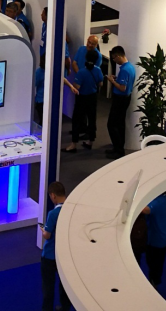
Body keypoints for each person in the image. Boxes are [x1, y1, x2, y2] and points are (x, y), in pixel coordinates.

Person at [62, 50, 103, 152]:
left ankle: (73, 144)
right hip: (93, 97)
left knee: (76, 120)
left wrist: (73, 85)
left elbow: (77, 87)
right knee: (92, 118)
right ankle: (90, 141)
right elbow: (101, 84)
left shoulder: (81, 72)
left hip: (82, 98)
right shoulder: (98, 70)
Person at [41, 181, 72, 311]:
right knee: (65, 286)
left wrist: (43, 230)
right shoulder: (71, 211)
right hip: (65, 254)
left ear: (53, 195)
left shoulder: (53, 214)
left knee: (48, 287)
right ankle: (65, 308)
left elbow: (47, 235)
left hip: (50, 256)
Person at [105, 46, 135, 159]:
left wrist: (112, 81)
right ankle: (119, 147)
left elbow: (122, 88)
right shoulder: (130, 67)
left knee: (112, 124)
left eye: (114, 58)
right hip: (126, 98)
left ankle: (118, 149)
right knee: (120, 124)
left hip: (120, 99)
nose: (114, 60)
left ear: (118, 56)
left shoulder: (124, 70)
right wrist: (117, 79)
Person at [142, 190, 166, 288]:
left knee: (155, 265)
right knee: (153, 262)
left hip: (158, 240)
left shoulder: (159, 201)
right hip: (160, 237)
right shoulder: (165, 198)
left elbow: (145, 210)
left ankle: (154, 285)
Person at [35, 55, 46, 124]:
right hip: (41, 100)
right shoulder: (39, 72)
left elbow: (35, 83)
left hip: (42, 100)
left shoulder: (38, 72)